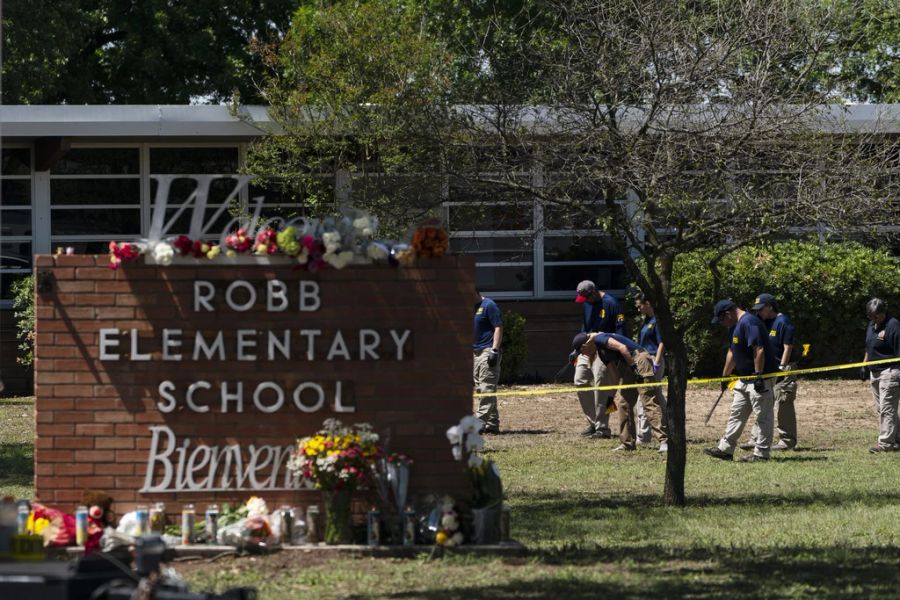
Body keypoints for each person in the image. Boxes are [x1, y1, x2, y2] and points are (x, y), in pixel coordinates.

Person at [704, 299, 778, 462]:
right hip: (743, 380)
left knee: (763, 417)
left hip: (759, 379)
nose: (722, 323)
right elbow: (732, 352)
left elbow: (759, 349)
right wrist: (725, 376)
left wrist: (758, 375)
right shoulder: (734, 326)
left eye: (722, 319)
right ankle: (726, 449)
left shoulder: (749, 322)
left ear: (728, 313)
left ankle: (761, 454)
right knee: (736, 414)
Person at [571, 330, 667, 452]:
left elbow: (622, 348)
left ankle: (664, 441)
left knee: (648, 401)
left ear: (585, 346)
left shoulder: (600, 339)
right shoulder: (601, 353)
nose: (583, 355)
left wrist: (634, 368)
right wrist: (610, 398)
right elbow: (615, 375)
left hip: (639, 360)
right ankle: (627, 444)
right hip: (629, 365)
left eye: (581, 352)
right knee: (623, 404)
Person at [741, 293, 799, 450]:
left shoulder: (783, 322)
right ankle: (756, 438)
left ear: (770, 307)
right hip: (768, 369)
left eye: (761, 309)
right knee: (762, 402)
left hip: (783, 369)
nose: (758, 312)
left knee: (783, 403)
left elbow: (788, 347)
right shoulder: (763, 322)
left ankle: (786, 441)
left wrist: (782, 368)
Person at [573, 280, 626, 439]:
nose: (586, 301)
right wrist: (576, 349)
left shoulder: (612, 304)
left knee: (602, 389)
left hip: (604, 350)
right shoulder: (586, 304)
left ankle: (603, 429)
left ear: (594, 292)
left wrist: (614, 353)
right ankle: (594, 422)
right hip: (586, 347)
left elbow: (620, 332)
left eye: (587, 297)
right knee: (580, 381)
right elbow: (585, 327)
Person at [862, 298, 900, 453]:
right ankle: (897, 437)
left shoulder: (893, 326)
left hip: (890, 372)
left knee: (887, 409)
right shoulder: (872, 325)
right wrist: (864, 365)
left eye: (876, 316)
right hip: (874, 372)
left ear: (883, 312)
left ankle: (885, 444)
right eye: (871, 316)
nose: (873, 319)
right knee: (882, 409)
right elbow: (868, 346)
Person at [634, 293, 667, 450]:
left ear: (648, 303)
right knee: (657, 397)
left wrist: (657, 362)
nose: (638, 308)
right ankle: (666, 427)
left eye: (640, 305)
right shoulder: (646, 321)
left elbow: (662, 343)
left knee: (645, 397)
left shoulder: (657, 321)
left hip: (653, 360)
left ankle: (644, 435)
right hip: (644, 360)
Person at [473, 292, 503, 434]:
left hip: (487, 351)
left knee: (487, 388)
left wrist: (494, 350)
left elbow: (498, 326)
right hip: (475, 353)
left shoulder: (488, 305)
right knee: (482, 389)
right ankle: (492, 424)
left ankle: (478, 424)